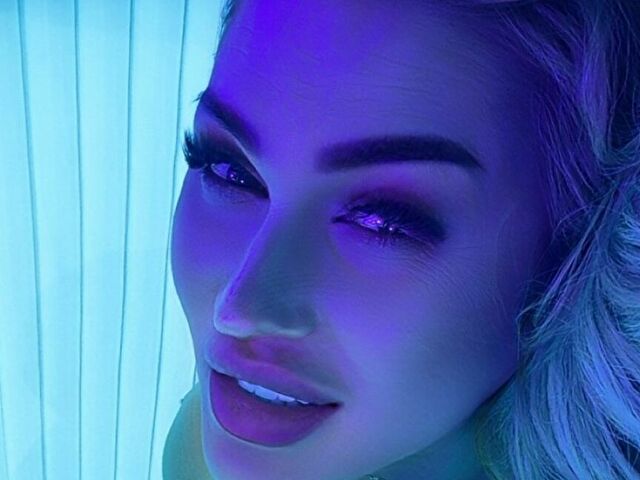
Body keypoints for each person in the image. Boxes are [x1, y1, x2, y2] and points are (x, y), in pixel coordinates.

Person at [164, 0, 640, 478]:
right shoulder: (202, 443)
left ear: (582, 248)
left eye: (383, 222)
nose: (240, 311)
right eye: (229, 170)